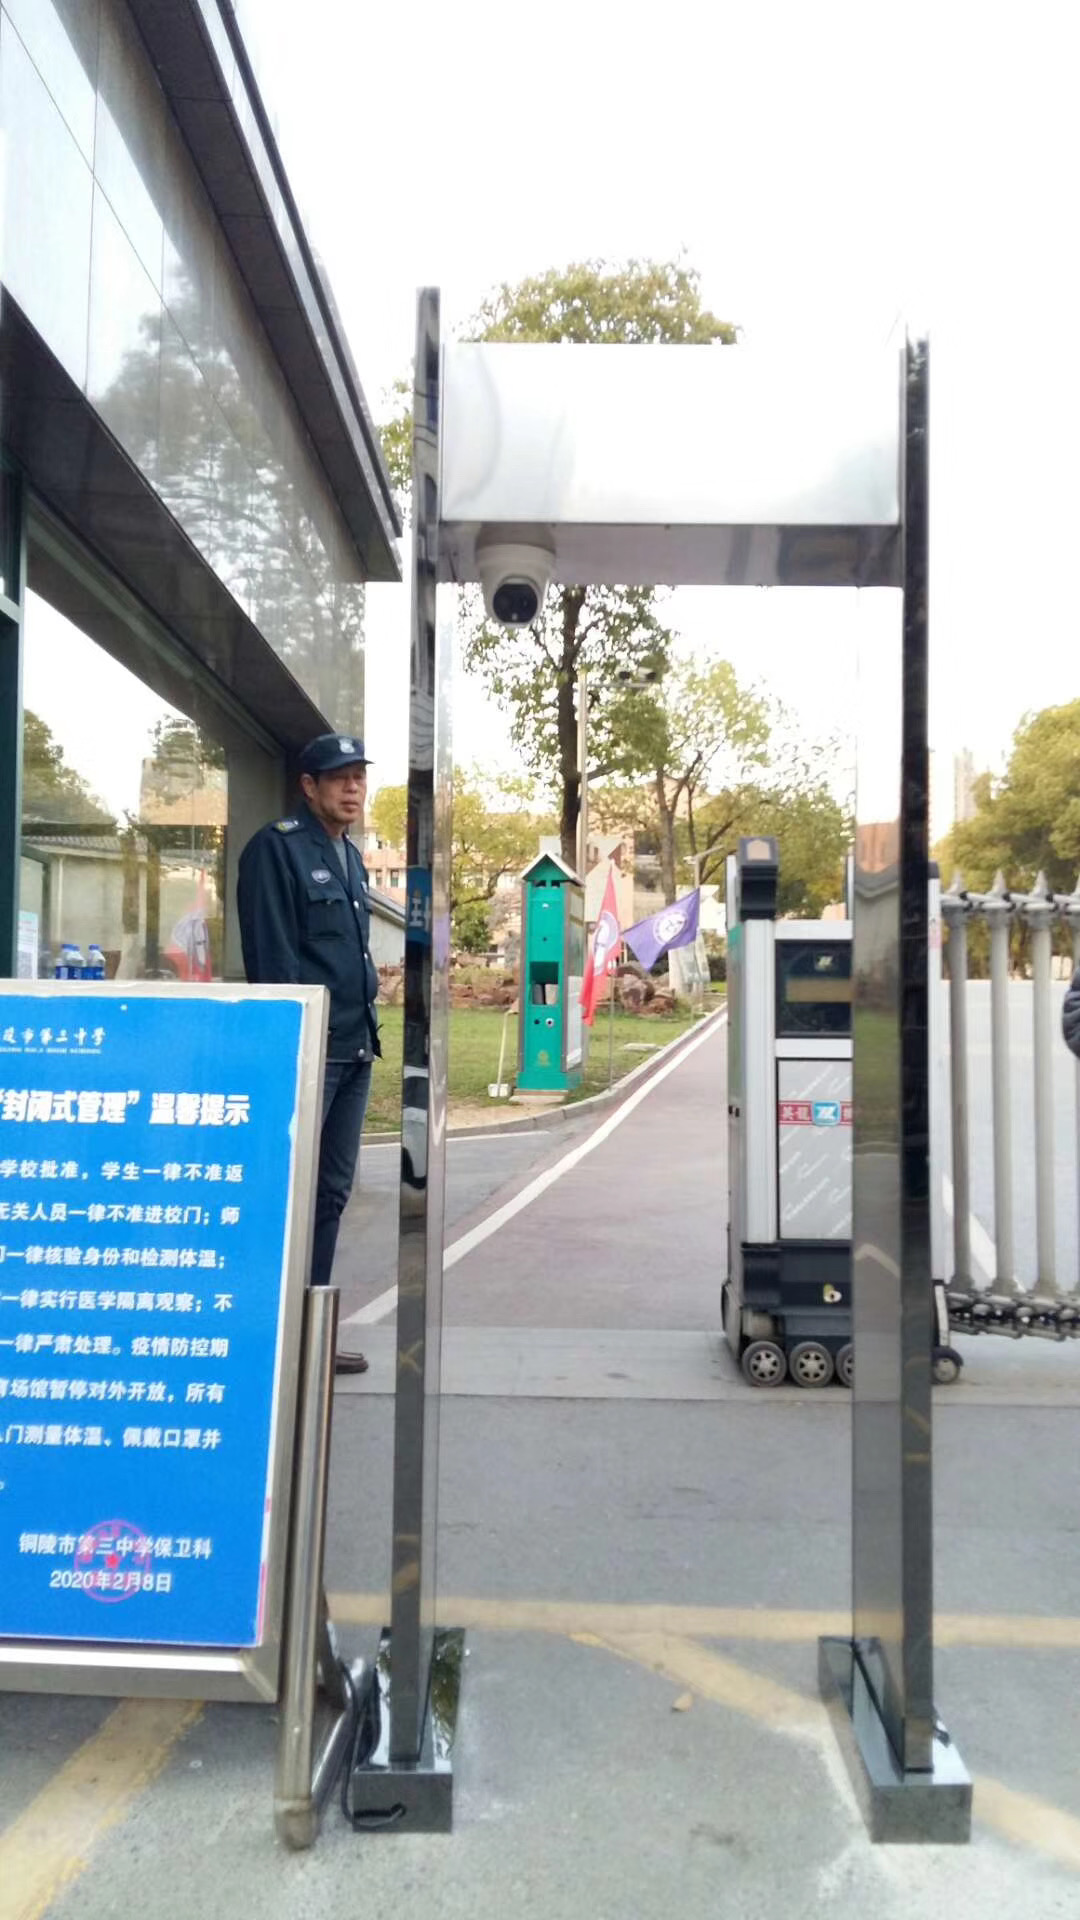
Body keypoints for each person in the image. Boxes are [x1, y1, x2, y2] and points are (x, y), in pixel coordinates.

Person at [238, 733, 381, 1373]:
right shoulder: (277, 848)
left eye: (359, 777)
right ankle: (268, 1340)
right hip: (309, 1054)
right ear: (308, 785)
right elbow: (274, 963)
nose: (352, 788)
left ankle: (310, 1336)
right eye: (338, 777)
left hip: (355, 1047)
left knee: (329, 1195)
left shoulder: (349, 856)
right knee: (286, 1194)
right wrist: (293, 1048)